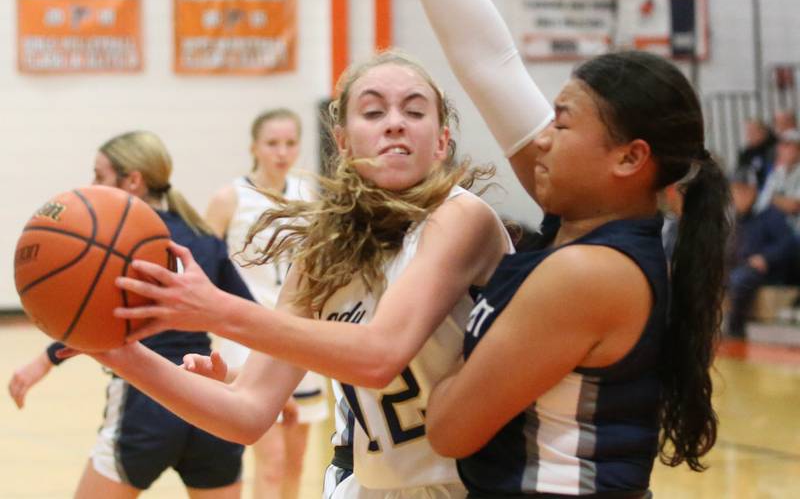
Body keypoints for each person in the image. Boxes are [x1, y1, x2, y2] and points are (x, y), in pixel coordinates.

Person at [324, 0, 730, 496]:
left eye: (561, 125)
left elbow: (452, 427)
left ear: (628, 159)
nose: (540, 137)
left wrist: (448, 356)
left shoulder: (593, 270)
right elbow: (491, 63)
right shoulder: (587, 222)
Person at [82, 49, 536, 498]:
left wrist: (216, 311)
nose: (394, 121)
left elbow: (381, 354)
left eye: (414, 110)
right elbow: (246, 414)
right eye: (374, 111)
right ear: (342, 142)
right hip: (370, 487)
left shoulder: (461, 219)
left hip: (470, 484)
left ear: (440, 141)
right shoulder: (324, 250)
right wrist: (118, 354)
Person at [7, 130, 256, 499]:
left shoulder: (113, 242)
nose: (92, 185)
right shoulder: (202, 236)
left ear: (133, 180)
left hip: (146, 399)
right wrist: (265, 389)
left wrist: (43, 362)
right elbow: (251, 318)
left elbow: (87, 318)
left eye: (100, 175)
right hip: (212, 398)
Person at [205, 108, 328, 499]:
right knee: (270, 463)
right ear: (254, 147)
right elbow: (204, 269)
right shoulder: (230, 199)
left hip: (299, 337)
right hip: (250, 338)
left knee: (296, 463)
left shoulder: (308, 195)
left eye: (290, 143)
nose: (282, 151)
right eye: (272, 143)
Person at [726, 166, 799, 338]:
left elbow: (790, 243)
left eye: (743, 190)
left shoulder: (769, 214)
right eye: (735, 190)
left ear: (753, 191)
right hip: (735, 266)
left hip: (762, 271)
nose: (738, 196)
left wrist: (765, 257)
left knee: (739, 279)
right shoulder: (732, 217)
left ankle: (735, 332)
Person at [755, 129, 800, 233]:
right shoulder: (777, 173)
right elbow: (761, 205)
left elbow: (794, 205)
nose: (782, 149)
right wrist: (778, 200)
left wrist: (773, 198)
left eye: (787, 145)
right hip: (775, 228)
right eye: (781, 146)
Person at [736, 118, 776, 189]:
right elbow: (739, 172)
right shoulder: (746, 153)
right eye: (748, 132)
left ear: (763, 132)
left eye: (753, 131)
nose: (750, 135)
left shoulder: (773, 149)